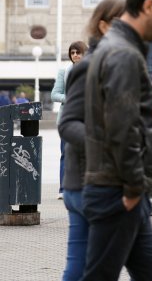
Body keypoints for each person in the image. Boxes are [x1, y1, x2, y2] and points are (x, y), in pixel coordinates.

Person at [82, 0, 152, 280]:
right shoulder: (123, 54)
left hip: (121, 189)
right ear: (149, 6)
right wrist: (134, 188)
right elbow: (122, 127)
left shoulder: (119, 48)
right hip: (118, 191)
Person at [56, 0, 126, 281]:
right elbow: (68, 123)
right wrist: (104, 143)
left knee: (82, 263)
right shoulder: (89, 67)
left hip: (98, 182)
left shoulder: (119, 62)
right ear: (104, 26)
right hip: (89, 183)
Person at [52, 40, 87, 200]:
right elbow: (54, 94)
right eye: (72, 53)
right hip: (68, 119)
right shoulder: (63, 71)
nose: (75, 55)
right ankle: (63, 189)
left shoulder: (92, 70)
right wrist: (71, 98)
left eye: (78, 52)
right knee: (66, 154)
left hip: (88, 119)